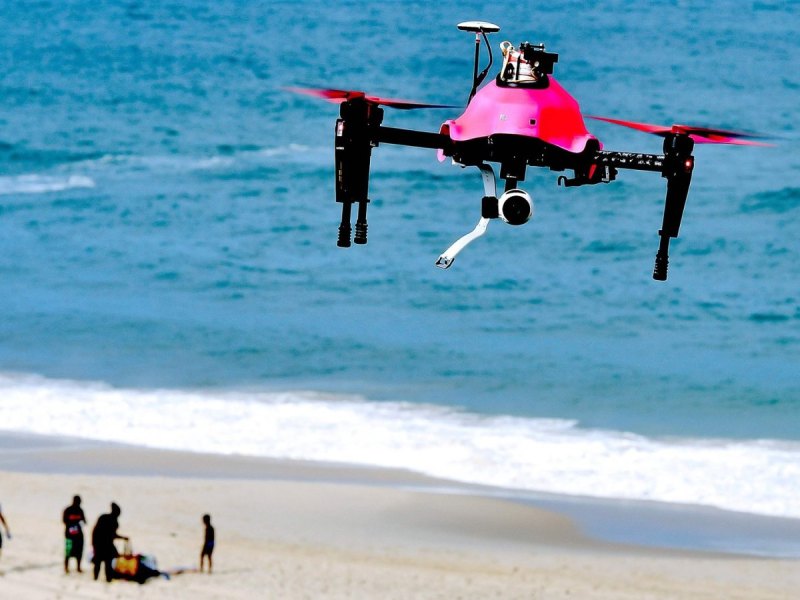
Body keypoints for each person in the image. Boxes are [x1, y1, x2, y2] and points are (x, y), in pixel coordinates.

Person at [91, 502, 128, 582]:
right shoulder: (114, 522)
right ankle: (107, 579)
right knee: (107, 563)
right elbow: (112, 535)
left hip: (100, 544)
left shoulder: (103, 517)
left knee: (99, 563)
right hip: (105, 545)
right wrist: (122, 538)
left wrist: (93, 543)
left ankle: (96, 578)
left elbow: (95, 531)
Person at [63, 495, 86, 573]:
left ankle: (78, 567)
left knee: (79, 552)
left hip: (78, 535)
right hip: (69, 535)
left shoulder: (80, 510)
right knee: (68, 551)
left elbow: (84, 521)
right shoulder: (68, 510)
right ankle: (66, 567)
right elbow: (64, 521)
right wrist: (74, 521)